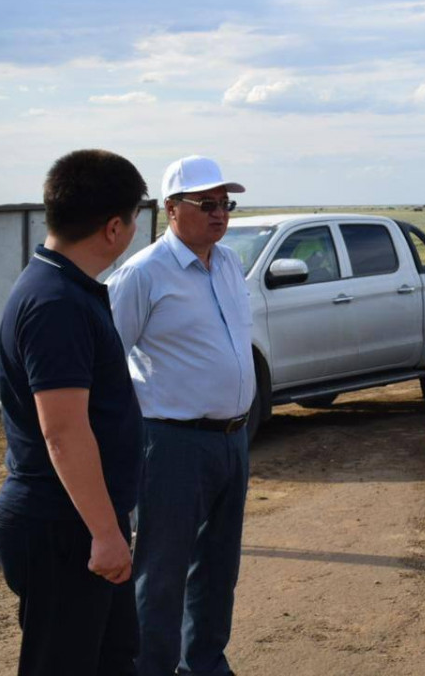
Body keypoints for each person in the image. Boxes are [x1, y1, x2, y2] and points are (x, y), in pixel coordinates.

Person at [0, 149, 148, 675]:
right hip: (62, 525)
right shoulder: (56, 303)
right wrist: (104, 533)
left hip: (78, 520)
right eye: (134, 218)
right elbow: (63, 431)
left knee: (112, 659)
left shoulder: (63, 287)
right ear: (113, 227)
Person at [107, 155, 254, 676]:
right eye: (206, 203)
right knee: (162, 572)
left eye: (225, 203)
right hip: (170, 444)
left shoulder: (229, 263)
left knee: (218, 567)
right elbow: (107, 366)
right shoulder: (142, 274)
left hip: (232, 439)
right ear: (171, 209)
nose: (220, 214)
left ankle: (205, 664)